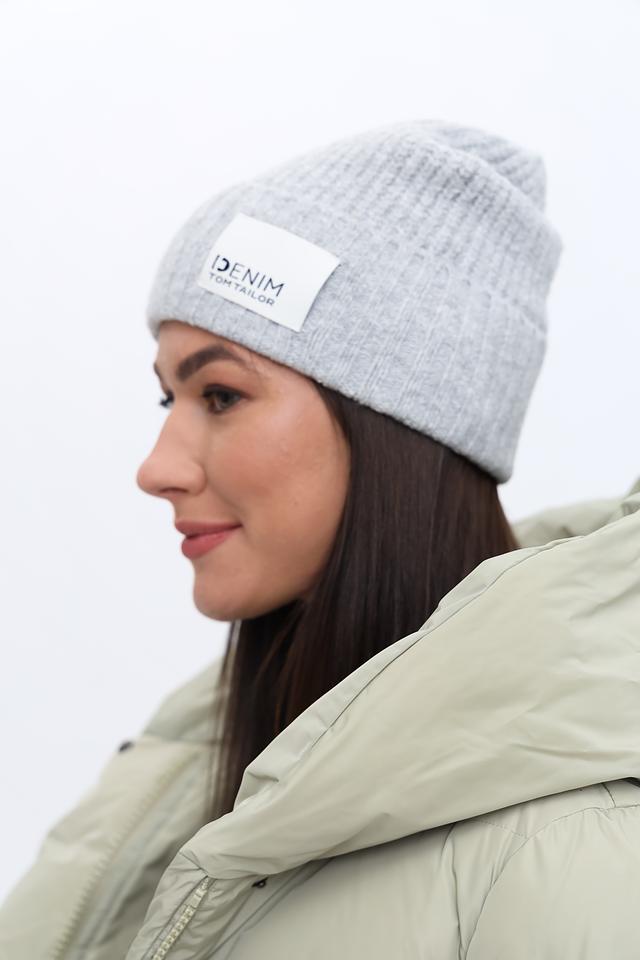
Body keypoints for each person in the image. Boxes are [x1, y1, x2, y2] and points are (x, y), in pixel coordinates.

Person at [1, 118, 639, 960]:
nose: (157, 469)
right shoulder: (176, 775)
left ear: (398, 427)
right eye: (168, 399)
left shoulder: (568, 854)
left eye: (221, 395)